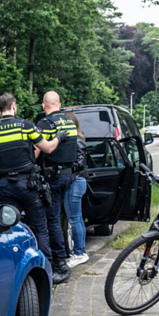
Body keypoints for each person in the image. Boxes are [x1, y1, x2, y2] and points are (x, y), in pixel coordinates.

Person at [0, 92, 69, 283]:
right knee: (40, 228)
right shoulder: (25, 126)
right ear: (14, 106)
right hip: (28, 184)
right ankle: (46, 274)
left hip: (5, 187)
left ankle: (12, 273)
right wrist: (59, 137)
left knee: (10, 230)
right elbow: (47, 148)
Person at [35, 91, 79, 281]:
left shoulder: (44, 124)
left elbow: (36, 152)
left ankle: (59, 264)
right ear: (59, 104)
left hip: (52, 177)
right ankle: (61, 258)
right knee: (59, 217)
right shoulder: (69, 123)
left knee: (51, 220)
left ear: (44, 106)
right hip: (68, 176)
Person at [63, 112, 89, 267]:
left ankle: (79, 253)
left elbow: (79, 163)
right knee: (77, 218)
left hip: (75, 181)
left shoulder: (77, 141)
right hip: (78, 180)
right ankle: (80, 252)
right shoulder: (80, 138)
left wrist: (64, 168)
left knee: (74, 219)